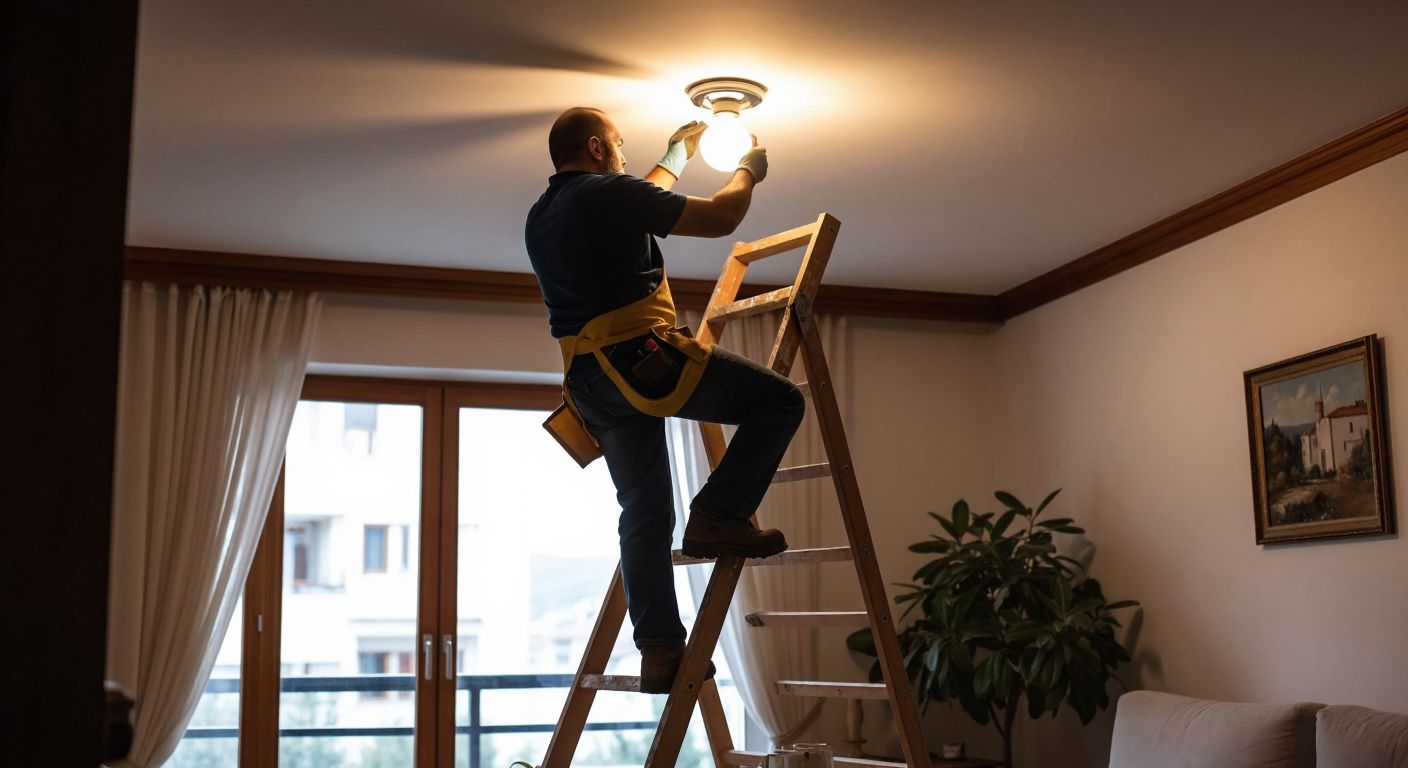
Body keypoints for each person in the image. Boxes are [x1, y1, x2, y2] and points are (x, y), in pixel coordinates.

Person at [525, 107, 805, 693]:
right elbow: (722, 216)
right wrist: (749, 168)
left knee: (645, 514)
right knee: (780, 402)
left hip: (589, 379)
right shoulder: (604, 194)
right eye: (621, 146)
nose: (626, 155)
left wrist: (675, 156)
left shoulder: (546, 212)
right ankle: (718, 515)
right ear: (599, 148)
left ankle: (660, 653)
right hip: (640, 359)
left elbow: (637, 196)